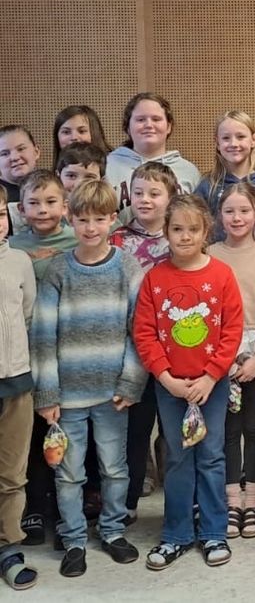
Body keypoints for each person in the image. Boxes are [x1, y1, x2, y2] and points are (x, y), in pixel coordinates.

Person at [30, 179, 146, 578]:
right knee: (69, 473)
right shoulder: (58, 270)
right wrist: (47, 392)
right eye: (82, 219)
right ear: (70, 218)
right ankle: (74, 538)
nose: (91, 227)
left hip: (112, 393)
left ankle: (112, 531)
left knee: (115, 468)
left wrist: (131, 383)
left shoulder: (128, 267)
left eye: (100, 219)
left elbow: (139, 330)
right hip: (67, 396)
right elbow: (43, 335)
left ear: (114, 220)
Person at [133, 195, 243, 571]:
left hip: (211, 387)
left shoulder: (222, 275)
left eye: (192, 229)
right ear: (166, 232)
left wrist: (211, 376)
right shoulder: (155, 278)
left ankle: (214, 531)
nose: (184, 237)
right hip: (172, 388)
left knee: (211, 457)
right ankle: (176, 534)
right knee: (178, 459)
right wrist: (166, 379)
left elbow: (232, 331)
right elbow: (145, 334)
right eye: (176, 229)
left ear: (205, 231)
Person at [109, 161, 179, 523]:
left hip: (173, 351)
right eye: (138, 193)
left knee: (175, 431)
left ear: (171, 199)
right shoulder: (117, 240)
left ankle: (182, 503)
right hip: (131, 353)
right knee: (135, 432)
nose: (145, 200)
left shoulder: (179, 240)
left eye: (154, 193)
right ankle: (129, 501)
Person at [10, 170, 76, 548]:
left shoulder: (76, 238)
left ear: (65, 205)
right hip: (28, 352)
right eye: (33, 202)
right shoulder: (14, 246)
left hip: (70, 351)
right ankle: (34, 506)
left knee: (69, 429)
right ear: (21, 208)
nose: (43, 209)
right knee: (35, 434)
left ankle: (71, 506)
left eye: (51, 201)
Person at [207, 183, 255, 541]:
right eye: (230, 211)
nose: (237, 217)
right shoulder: (210, 254)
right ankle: (231, 501)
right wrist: (223, 357)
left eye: (244, 211)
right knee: (228, 432)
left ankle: (253, 500)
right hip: (221, 359)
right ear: (219, 216)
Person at [0, 186, 39, 590]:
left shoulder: (19, 262)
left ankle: (9, 547)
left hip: (15, 382)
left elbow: (27, 316)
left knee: (12, 473)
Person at [105, 92, 201, 220]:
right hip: (118, 240)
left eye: (156, 119)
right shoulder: (107, 166)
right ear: (128, 127)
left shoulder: (189, 171)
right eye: (140, 120)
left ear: (169, 126)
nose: (149, 125)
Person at [195, 110, 255, 248]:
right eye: (226, 138)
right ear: (217, 143)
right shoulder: (207, 187)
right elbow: (197, 232)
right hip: (216, 263)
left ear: (253, 140)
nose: (233, 143)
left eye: (240, 136)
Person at [0, 125, 42, 235]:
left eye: (21, 149)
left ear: (36, 151)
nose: (14, 157)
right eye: (5, 153)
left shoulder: (52, 187)